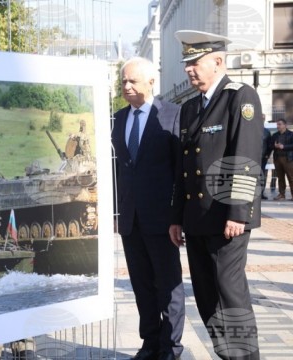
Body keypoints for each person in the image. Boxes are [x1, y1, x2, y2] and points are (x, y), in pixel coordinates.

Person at [170, 30, 263, 360]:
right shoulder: (190, 107)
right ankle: (227, 356)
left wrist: (238, 213)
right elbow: (185, 165)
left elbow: (247, 156)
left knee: (230, 295)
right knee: (207, 297)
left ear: (218, 61)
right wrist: (176, 217)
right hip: (196, 221)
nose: (189, 70)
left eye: (195, 63)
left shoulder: (240, 97)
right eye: (187, 64)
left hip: (227, 220)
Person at [111, 57, 185, 360]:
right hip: (130, 221)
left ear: (151, 82)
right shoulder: (117, 118)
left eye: (133, 81)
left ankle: (170, 348)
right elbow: (117, 170)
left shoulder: (172, 115)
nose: (126, 87)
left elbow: (181, 171)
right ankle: (150, 343)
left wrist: (177, 217)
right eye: (123, 81)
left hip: (162, 220)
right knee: (141, 286)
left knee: (168, 288)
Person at [271, 118, 293, 200]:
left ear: (285, 125)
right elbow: (270, 146)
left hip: (288, 159)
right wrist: (275, 146)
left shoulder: (291, 134)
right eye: (277, 124)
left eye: (279, 124)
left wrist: (284, 147)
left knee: (291, 177)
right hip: (277, 159)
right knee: (280, 178)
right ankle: (281, 194)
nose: (278, 126)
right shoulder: (275, 135)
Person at [261, 115, 273, 200]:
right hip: (253, 157)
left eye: (263, 119)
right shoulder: (251, 130)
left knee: (262, 176)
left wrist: (267, 155)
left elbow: (269, 146)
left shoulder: (266, 132)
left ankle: (261, 193)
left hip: (262, 158)